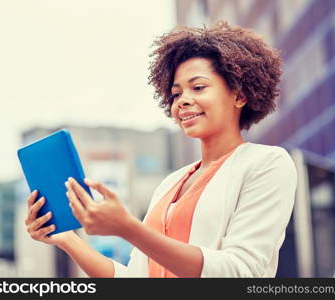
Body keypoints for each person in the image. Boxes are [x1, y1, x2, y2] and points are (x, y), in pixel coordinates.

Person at [24, 21, 297, 278]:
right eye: (176, 94)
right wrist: (67, 239)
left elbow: (238, 272)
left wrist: (128, 228)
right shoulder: (169, 184)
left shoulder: (267, 164)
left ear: (239, 95)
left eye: (198, 87)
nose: (183, 101)